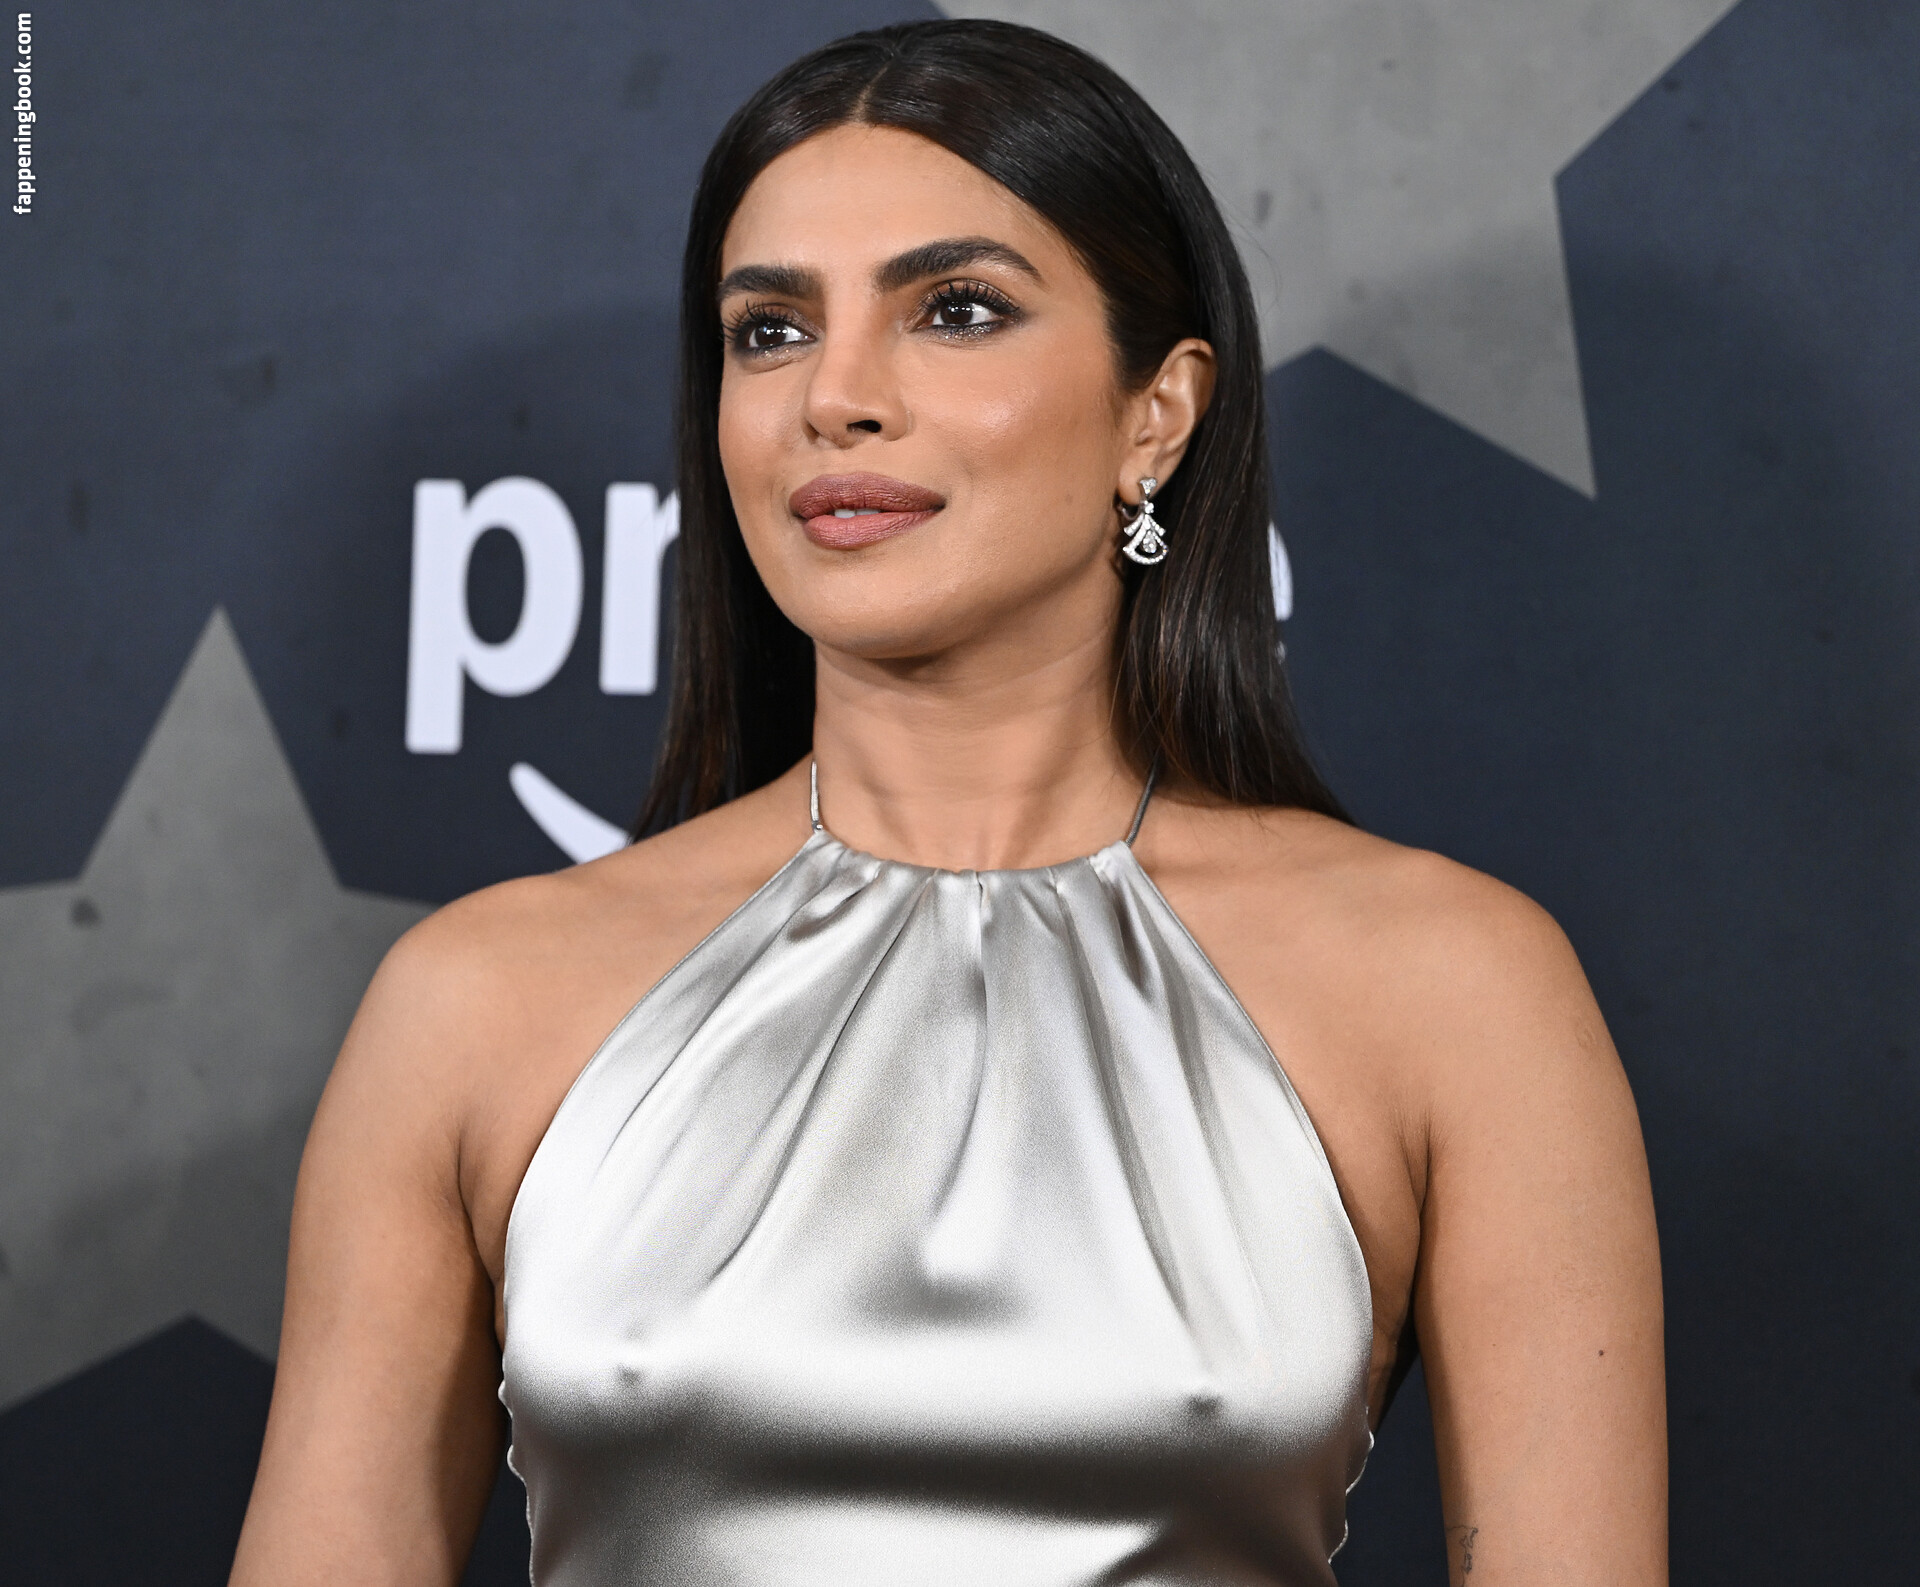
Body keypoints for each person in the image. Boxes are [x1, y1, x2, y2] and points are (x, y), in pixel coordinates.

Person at [230, 19, 1665, 1587]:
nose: (834, 395)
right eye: (771, 330)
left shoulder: (1454, 989)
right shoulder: (475, 1001)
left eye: (955, 310)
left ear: (1157, 414)